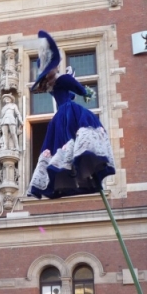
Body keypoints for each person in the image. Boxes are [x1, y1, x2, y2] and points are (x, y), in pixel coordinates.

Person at [27, 30, 115, 199]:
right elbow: (76, 88)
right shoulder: (62, 79)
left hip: (60, 115)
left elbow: (68, 92)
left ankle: (76, 164)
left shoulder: (52, 85)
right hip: (69, 112)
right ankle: (82, 162)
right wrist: (87, 93)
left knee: (66, 143)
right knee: (79, 135)